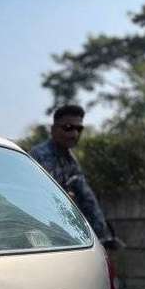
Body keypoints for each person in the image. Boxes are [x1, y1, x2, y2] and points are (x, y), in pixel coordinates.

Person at [30, 104, 114, 243]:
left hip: (69, 235)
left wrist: (101, 235)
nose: (74, 134)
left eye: (79, 129)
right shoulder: (39, 156)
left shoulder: (71, 160)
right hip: (44, 234)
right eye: (68, 128)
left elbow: (87, 199)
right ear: (53, 130)